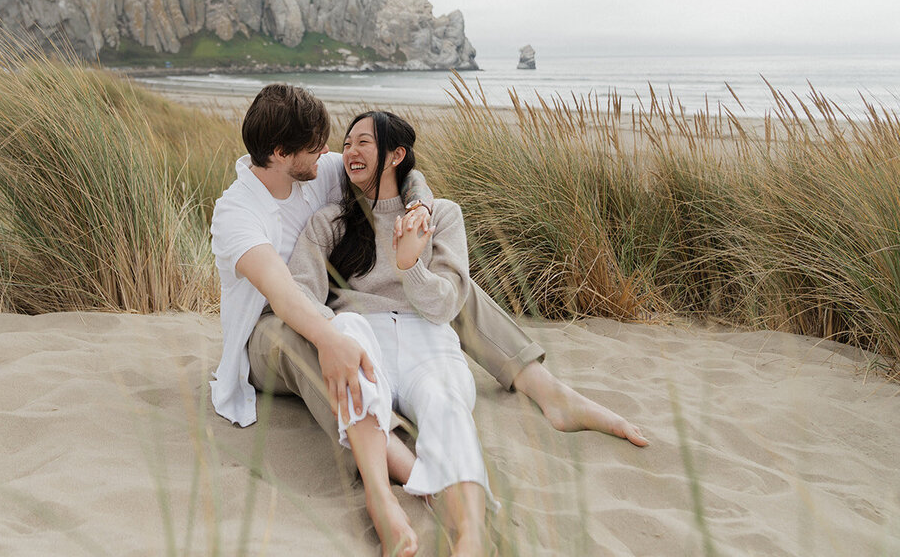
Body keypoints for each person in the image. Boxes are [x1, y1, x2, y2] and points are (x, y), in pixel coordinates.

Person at [208, 86, 646, 499]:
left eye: (331, 144)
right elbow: (286, 297)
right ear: (282, 153)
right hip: (267, 332)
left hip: (317, 307)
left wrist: (419, 210)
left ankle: (546, 390)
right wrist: (334, 334)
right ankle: (395, 449)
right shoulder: (238, 211)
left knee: (451, 287)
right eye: (317, 145)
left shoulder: (315, 172)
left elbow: (401, 171)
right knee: (301, 336)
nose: (330, 153)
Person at [286, 110, 495, 556]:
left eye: (364, 142)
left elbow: (446, 305)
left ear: (396, 154)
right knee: (346, 325)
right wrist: (329, 328)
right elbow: (299, 293)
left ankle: (473, 537)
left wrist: (409, 265)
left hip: (427, 336)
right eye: (346, 144)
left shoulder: (441, 216)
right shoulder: (329, 223)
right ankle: (383, 506)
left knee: (447, 407)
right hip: (364, 339)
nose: (351, 152)